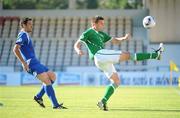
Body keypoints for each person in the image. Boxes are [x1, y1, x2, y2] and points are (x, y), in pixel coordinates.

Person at [74, 15, 164, 111]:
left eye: (103, 23)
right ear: (94, 24)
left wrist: (124, 38)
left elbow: (115, 41)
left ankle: (103, 102)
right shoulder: (89, 32)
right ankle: (155, 55)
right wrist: (78, 50)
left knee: (116, 82)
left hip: (101, 61)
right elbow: (77, 44)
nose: (103, 25)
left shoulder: (102, 34)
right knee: (128, 55)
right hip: (99, 55)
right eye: (101, 23)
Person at [13, 17, 67, 109]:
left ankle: (38, 97)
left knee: (52, 76)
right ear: (23, 25)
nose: (31, 26)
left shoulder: (25, 34)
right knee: (46, 80)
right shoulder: (22, 35)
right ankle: (55, 105)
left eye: (31, 24)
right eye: (29, 24)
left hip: (36, 62)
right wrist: (23, 63)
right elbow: (15, 49)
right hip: (31, 63)